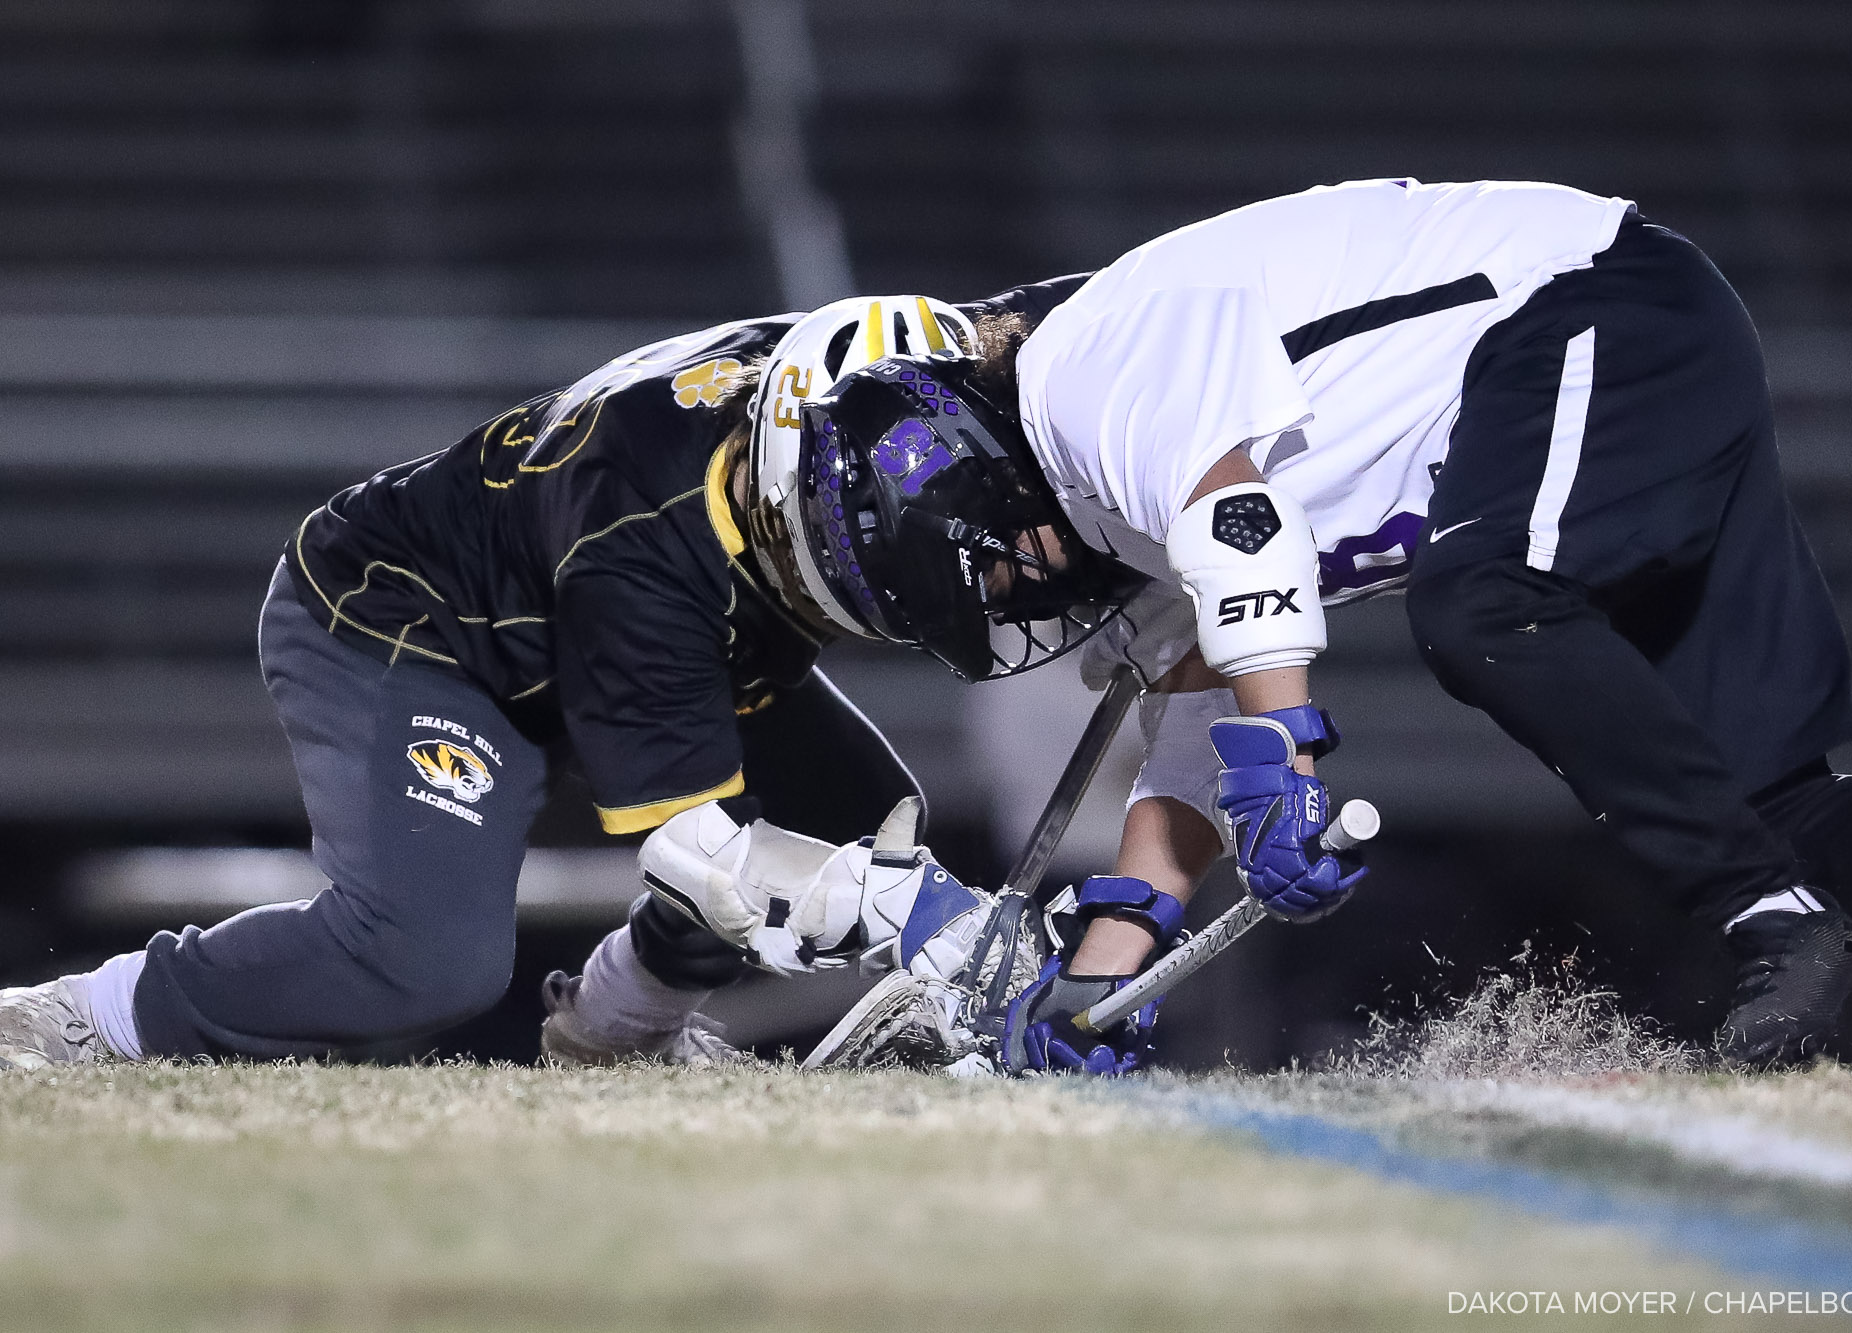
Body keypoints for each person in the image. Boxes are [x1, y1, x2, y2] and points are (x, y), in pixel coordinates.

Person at [776, 177, 1852, 1072]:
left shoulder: (1079, 374)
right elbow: (1204, 697)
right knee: (1768, 796)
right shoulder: (1113, 496)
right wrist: (1110, 953)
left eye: (986, 572)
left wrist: (1288, 760)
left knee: (1482, 606)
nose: (1009, 597)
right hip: (1611, 355)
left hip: (1591, 309)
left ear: (966, 475)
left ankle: (1770, 922)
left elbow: (1235, 530)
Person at [0, 283, 1082, 1073]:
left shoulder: (886, 377)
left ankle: (614, 1037)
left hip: (649, 611)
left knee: (855, 819)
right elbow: (699, 856)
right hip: (422, 631)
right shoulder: (641, 539)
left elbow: (1093, 320)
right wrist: (919, 910)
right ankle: (91, 1014)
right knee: (421, 961)